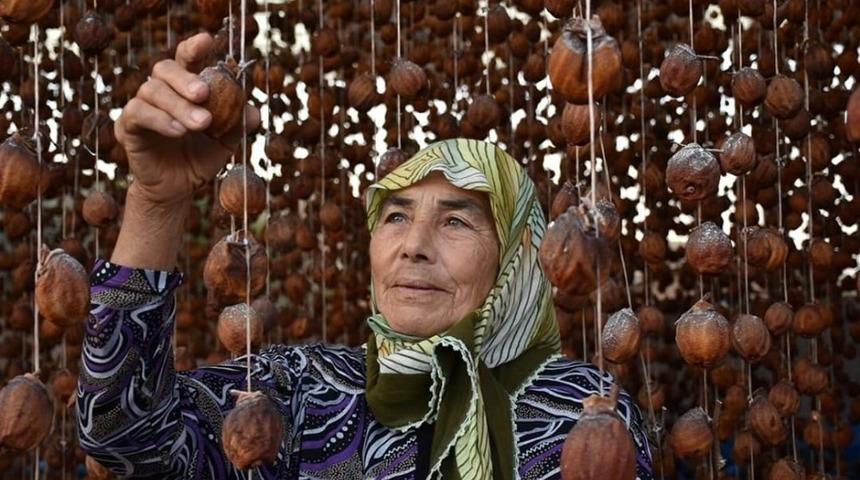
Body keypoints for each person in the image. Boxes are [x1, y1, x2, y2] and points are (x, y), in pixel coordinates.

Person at [77, 32, 653, 479]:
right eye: (396, 216)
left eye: (455, 220)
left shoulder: (583, 411)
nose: (413, 247)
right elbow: (122, 434)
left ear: (517, 260)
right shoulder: (303, 388)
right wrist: (157, 202)